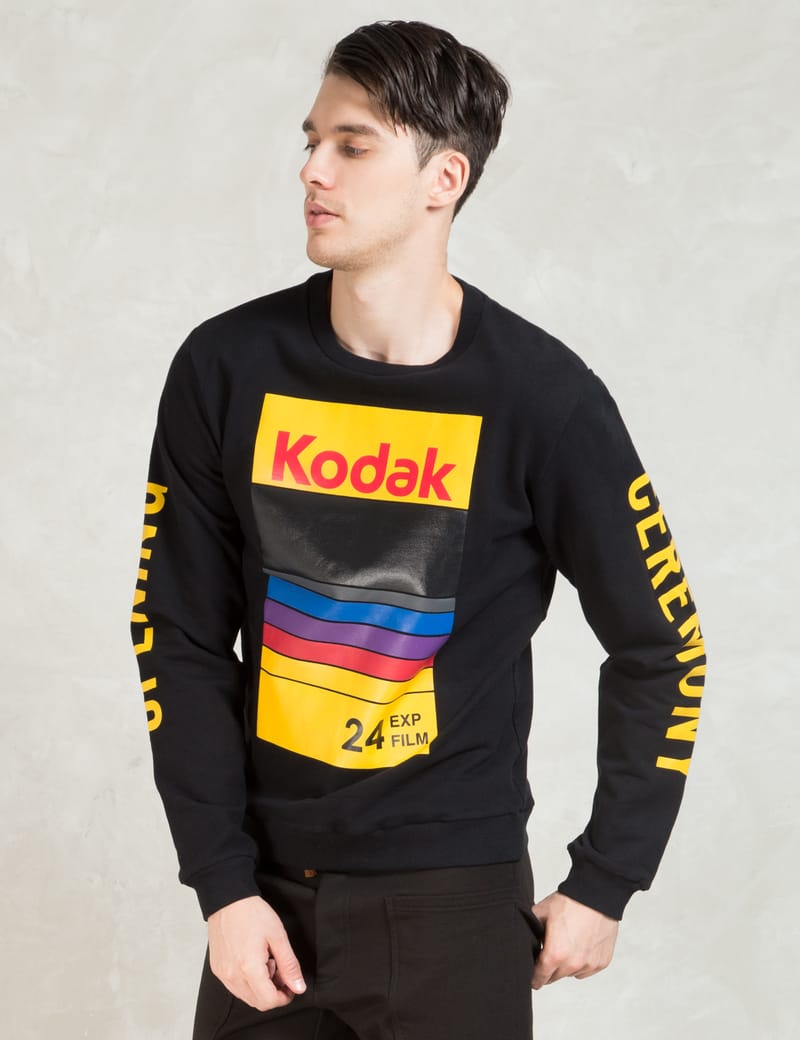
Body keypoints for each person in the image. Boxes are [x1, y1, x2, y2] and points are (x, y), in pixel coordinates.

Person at [131, 19, 705, 1040]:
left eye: (352, 146)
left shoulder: (542, 398)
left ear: (444, 178)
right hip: (266, 902)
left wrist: (607, 876)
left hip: (455, 905)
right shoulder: (225, 368)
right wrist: (221, 882)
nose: (312, 169)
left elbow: (664, 644)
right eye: (312, 140)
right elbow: (176, 635)